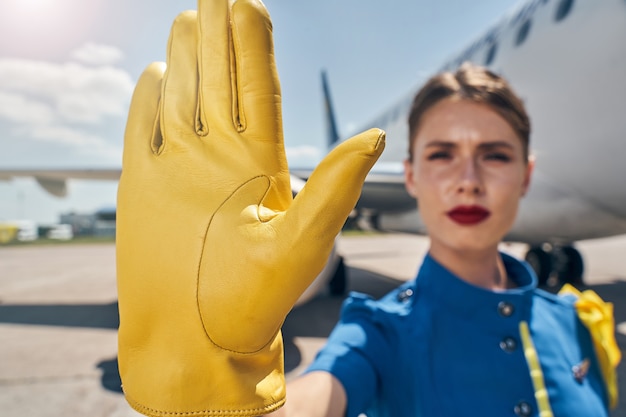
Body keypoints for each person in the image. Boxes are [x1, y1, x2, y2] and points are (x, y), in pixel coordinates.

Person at [115, 1, 620, 416]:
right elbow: (319, 396)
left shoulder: (581, 324)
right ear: (409, 173)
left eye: (495, 155)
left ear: (526, 173)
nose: (468, 181)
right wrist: (214, 388)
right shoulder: (376, 334)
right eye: (442, 154)